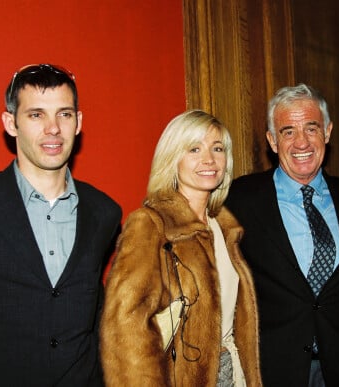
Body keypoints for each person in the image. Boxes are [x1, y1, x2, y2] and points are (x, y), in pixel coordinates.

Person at [0, 64, 122, 386]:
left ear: (78, 122)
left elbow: (92, 317)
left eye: (64, 114)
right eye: (36, 115)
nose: (53, 128)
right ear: (11, 123)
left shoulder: (103, 212)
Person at [100, 110, 261, 386]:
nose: (209, 159)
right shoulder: (151, 224)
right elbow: (125, 330)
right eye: (194, 149)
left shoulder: (224, 227)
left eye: (217, 148)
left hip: (232, 373)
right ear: (173, 158)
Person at [225, 84, 339, 386]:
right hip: (272, 372)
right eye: (288, 131)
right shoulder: (239, 199)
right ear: (272, 141)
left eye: (311, 128)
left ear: (327, 133)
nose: (301, 142)